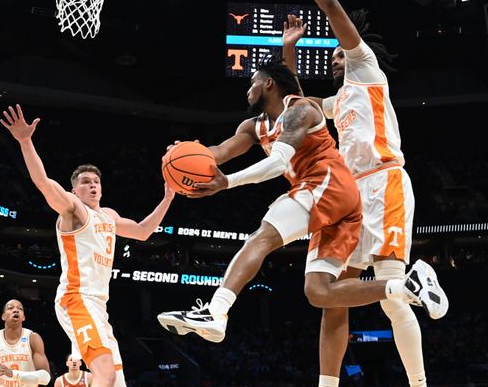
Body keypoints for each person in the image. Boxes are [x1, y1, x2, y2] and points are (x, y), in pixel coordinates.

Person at [270, 0, 440, 387]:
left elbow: (331, 2)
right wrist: (288, 50)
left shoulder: (366, 70)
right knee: (331, 296)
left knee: (390, 302)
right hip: (350, 197)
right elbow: (297, 105)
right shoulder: (338, 101)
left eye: (338, 49)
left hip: (385, 183)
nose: (336, 51)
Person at [155, 61, 446, 347]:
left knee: (262, 236)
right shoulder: (253, 127)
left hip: (328, 183)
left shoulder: (300, 111)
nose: (248, 90)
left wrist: (227, 182)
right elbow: (218, 153)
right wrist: (185, 152)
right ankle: (406, 286)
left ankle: (216, 311)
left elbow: (278, 162)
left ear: (269, 84)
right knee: (319, 292)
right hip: (335, 202)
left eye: (252, 82)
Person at [2, 103, 176, 387]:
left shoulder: (110, 217)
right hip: (77, 300)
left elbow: (147, 230)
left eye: (96, 181)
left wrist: (168, 194)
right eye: (84, 181)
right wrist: (27, 142)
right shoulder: (73, 211)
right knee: (101, 373)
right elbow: (43, 182)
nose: (92, 185)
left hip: (100, 308)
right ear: (75, 189)